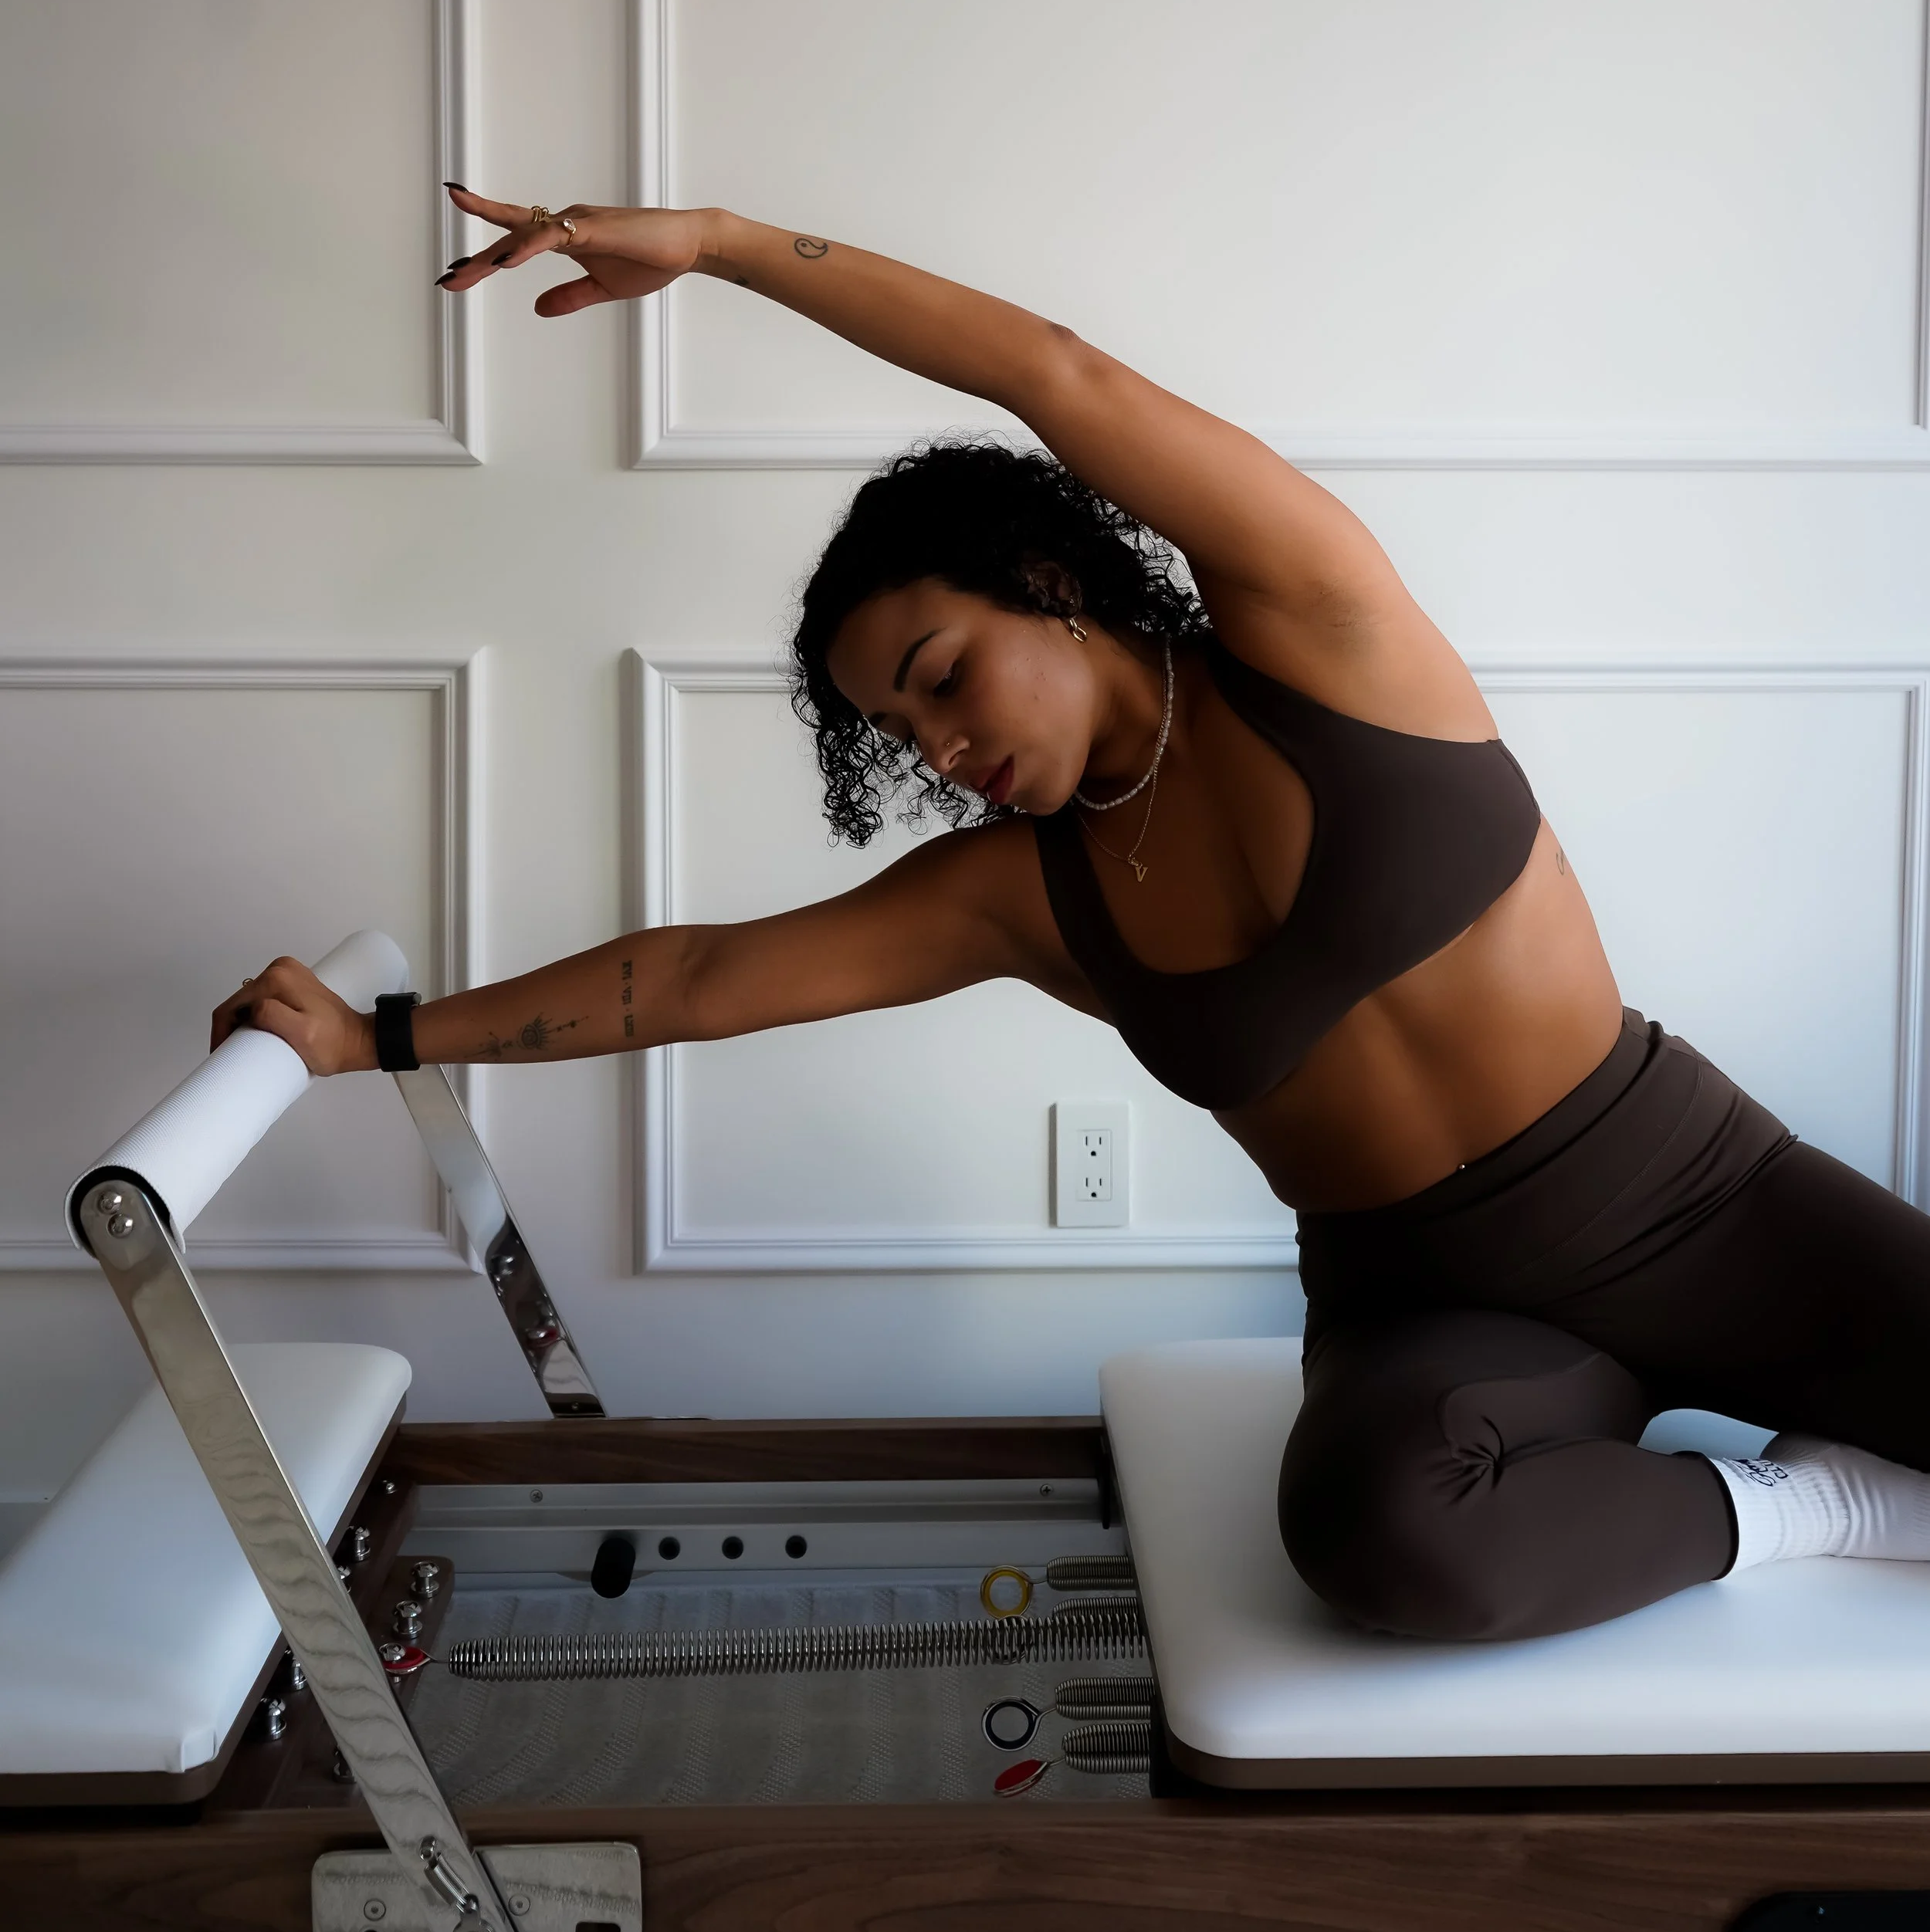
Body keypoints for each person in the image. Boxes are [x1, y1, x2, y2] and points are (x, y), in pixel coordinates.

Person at [218, 191, 1930, 1642]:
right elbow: (708, 976)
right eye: (899, 735)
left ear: (1047, 584)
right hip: (1432, 1312)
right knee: (1385, 1545)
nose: (942, 750)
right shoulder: (1021, 897)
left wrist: (726, 247)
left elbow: (1053, 373)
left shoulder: (1316, 632)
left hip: (1695, 1200)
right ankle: (1804, 1507)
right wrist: (375, 1038)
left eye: (940, 678)